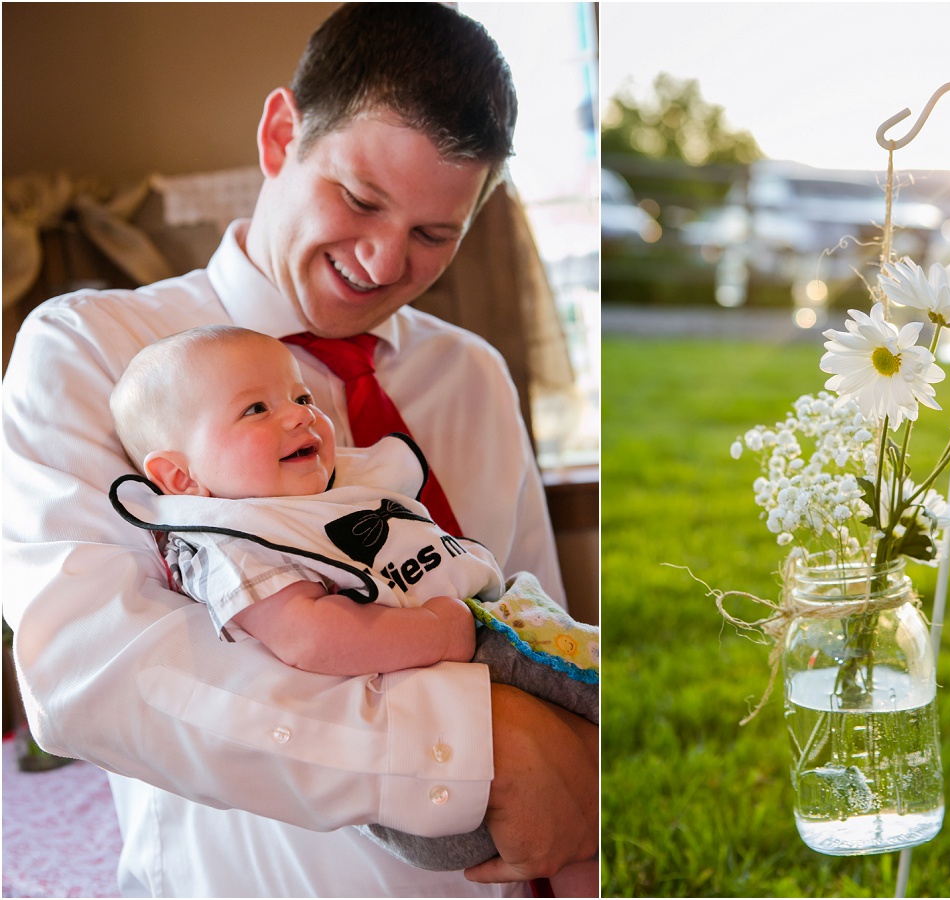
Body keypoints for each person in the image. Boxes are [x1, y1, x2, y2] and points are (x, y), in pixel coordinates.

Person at [2, 4, 598, 897]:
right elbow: (93, 671)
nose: (384, 259)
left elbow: (522, 607)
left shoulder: (473, 376)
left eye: (437, 234)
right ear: (281, 135)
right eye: (359, 200)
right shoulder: (93, 353)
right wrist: (486, 747)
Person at [107, 324, 599, 894]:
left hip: (491, 643)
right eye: (256, 410)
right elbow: (311, 636)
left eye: (301, 398)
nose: (297, 416)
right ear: (180, 476)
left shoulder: (327, 494)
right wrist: (442, 632)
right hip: (451, 701)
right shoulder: (236, 546)